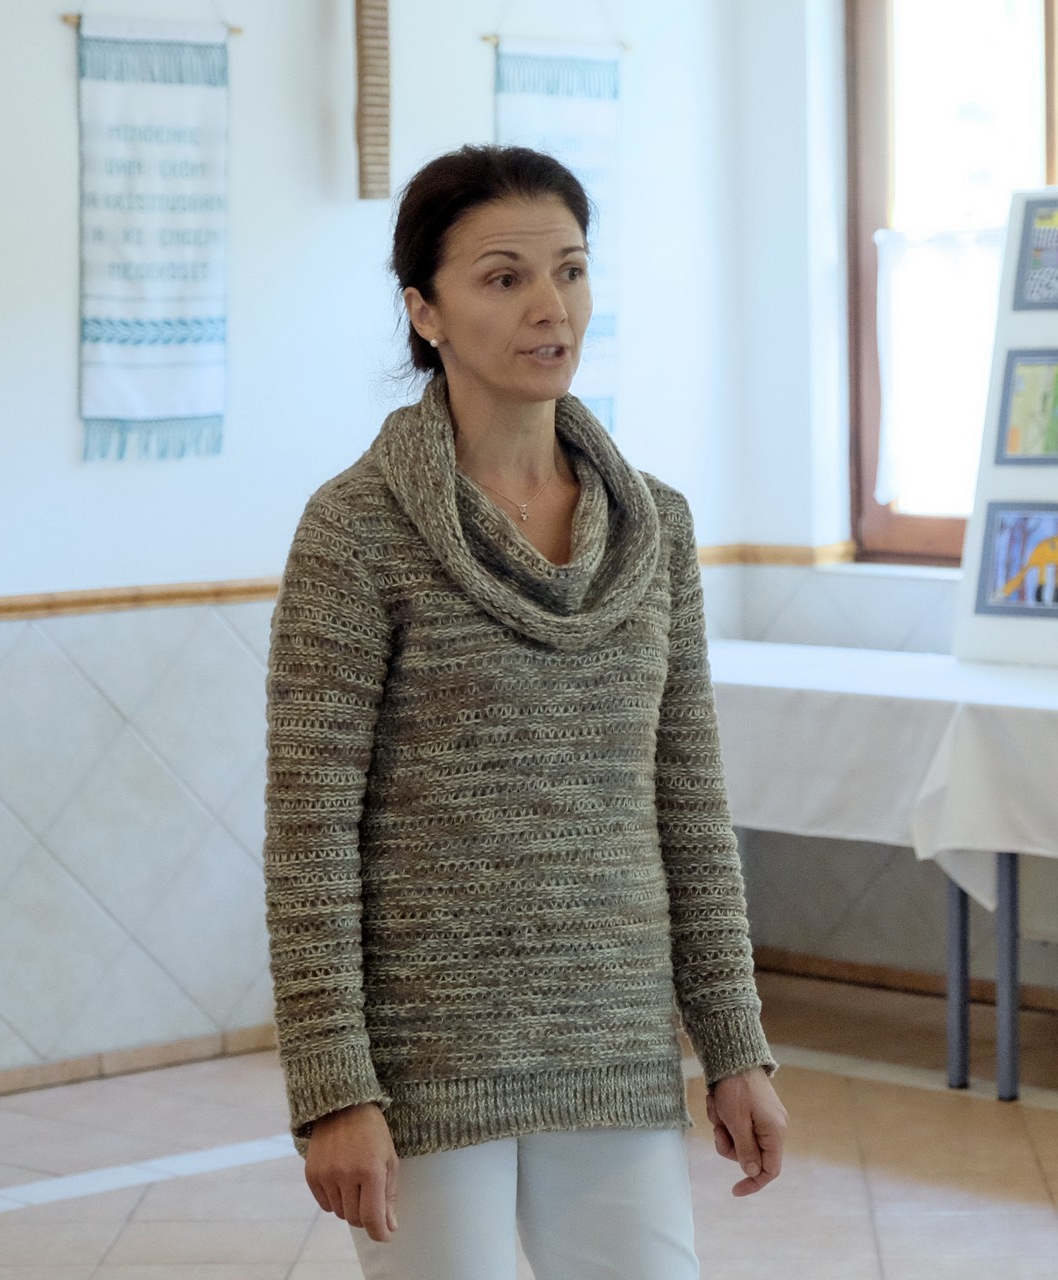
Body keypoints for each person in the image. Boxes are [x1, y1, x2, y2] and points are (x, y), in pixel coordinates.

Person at [261, 144, 787, 1280]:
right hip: (426, 1055)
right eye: (504, 278)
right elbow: (310, 838)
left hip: (612, 1036)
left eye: (571, 270)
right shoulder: (355, 530)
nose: (552, 307)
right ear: (425, 311)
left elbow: (688, 806)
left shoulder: (657, 528)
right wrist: (334, 1087)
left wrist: (734, 1043)